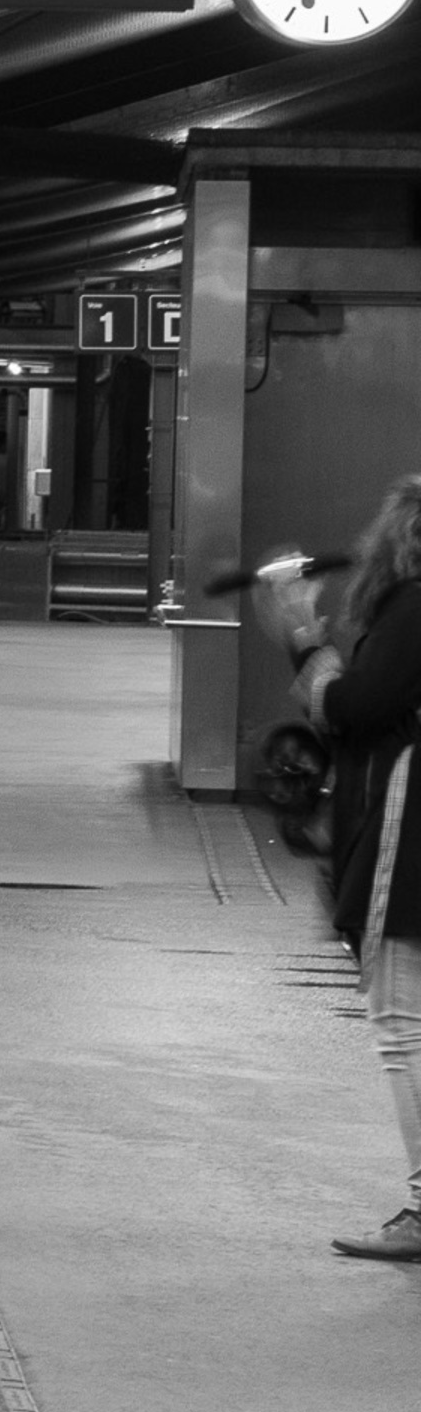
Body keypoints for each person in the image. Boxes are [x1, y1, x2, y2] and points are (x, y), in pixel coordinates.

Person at [285, 472, 421, 1260]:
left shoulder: (415, 606)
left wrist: (310, 646)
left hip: (412, 831)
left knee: (401, 1019)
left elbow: (356, 709)